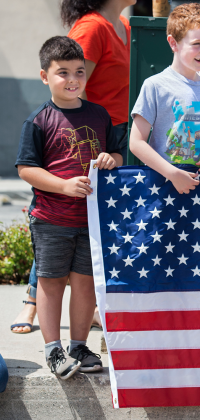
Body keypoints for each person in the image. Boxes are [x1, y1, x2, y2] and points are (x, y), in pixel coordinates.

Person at [10, 0, 135, 333]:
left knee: (88, 226)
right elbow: (68, 90)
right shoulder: (93, 28)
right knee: (62, 221)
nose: (72, 76)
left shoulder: (126, 26)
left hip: (115, 136)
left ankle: (86, 313)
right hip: (81, 136)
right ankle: (32, 304)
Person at [15, 36, 123, 379]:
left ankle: (79, 345)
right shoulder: (39, 120)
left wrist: (111, 158)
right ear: (45, 76)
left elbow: (119, 154)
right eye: (63, 73)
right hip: (51, 220)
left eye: (79, 71)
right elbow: (26, 168)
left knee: (86, 283)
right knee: (50, 282)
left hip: (91, 219)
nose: (73, 79)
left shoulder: (99, 115)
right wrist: (62, 185)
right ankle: (53, 349)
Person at [129, 3, 200, 193]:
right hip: (163, 185)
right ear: (173, 43)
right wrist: (172, 174)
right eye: (196, 44)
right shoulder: (155, 85)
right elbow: (136, 143)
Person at [64, 0, 136, 159]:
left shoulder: (125, 25)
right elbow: (71, 88)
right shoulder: (91, 28)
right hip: (98, 135)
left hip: (125, 132)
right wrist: (91, 140)